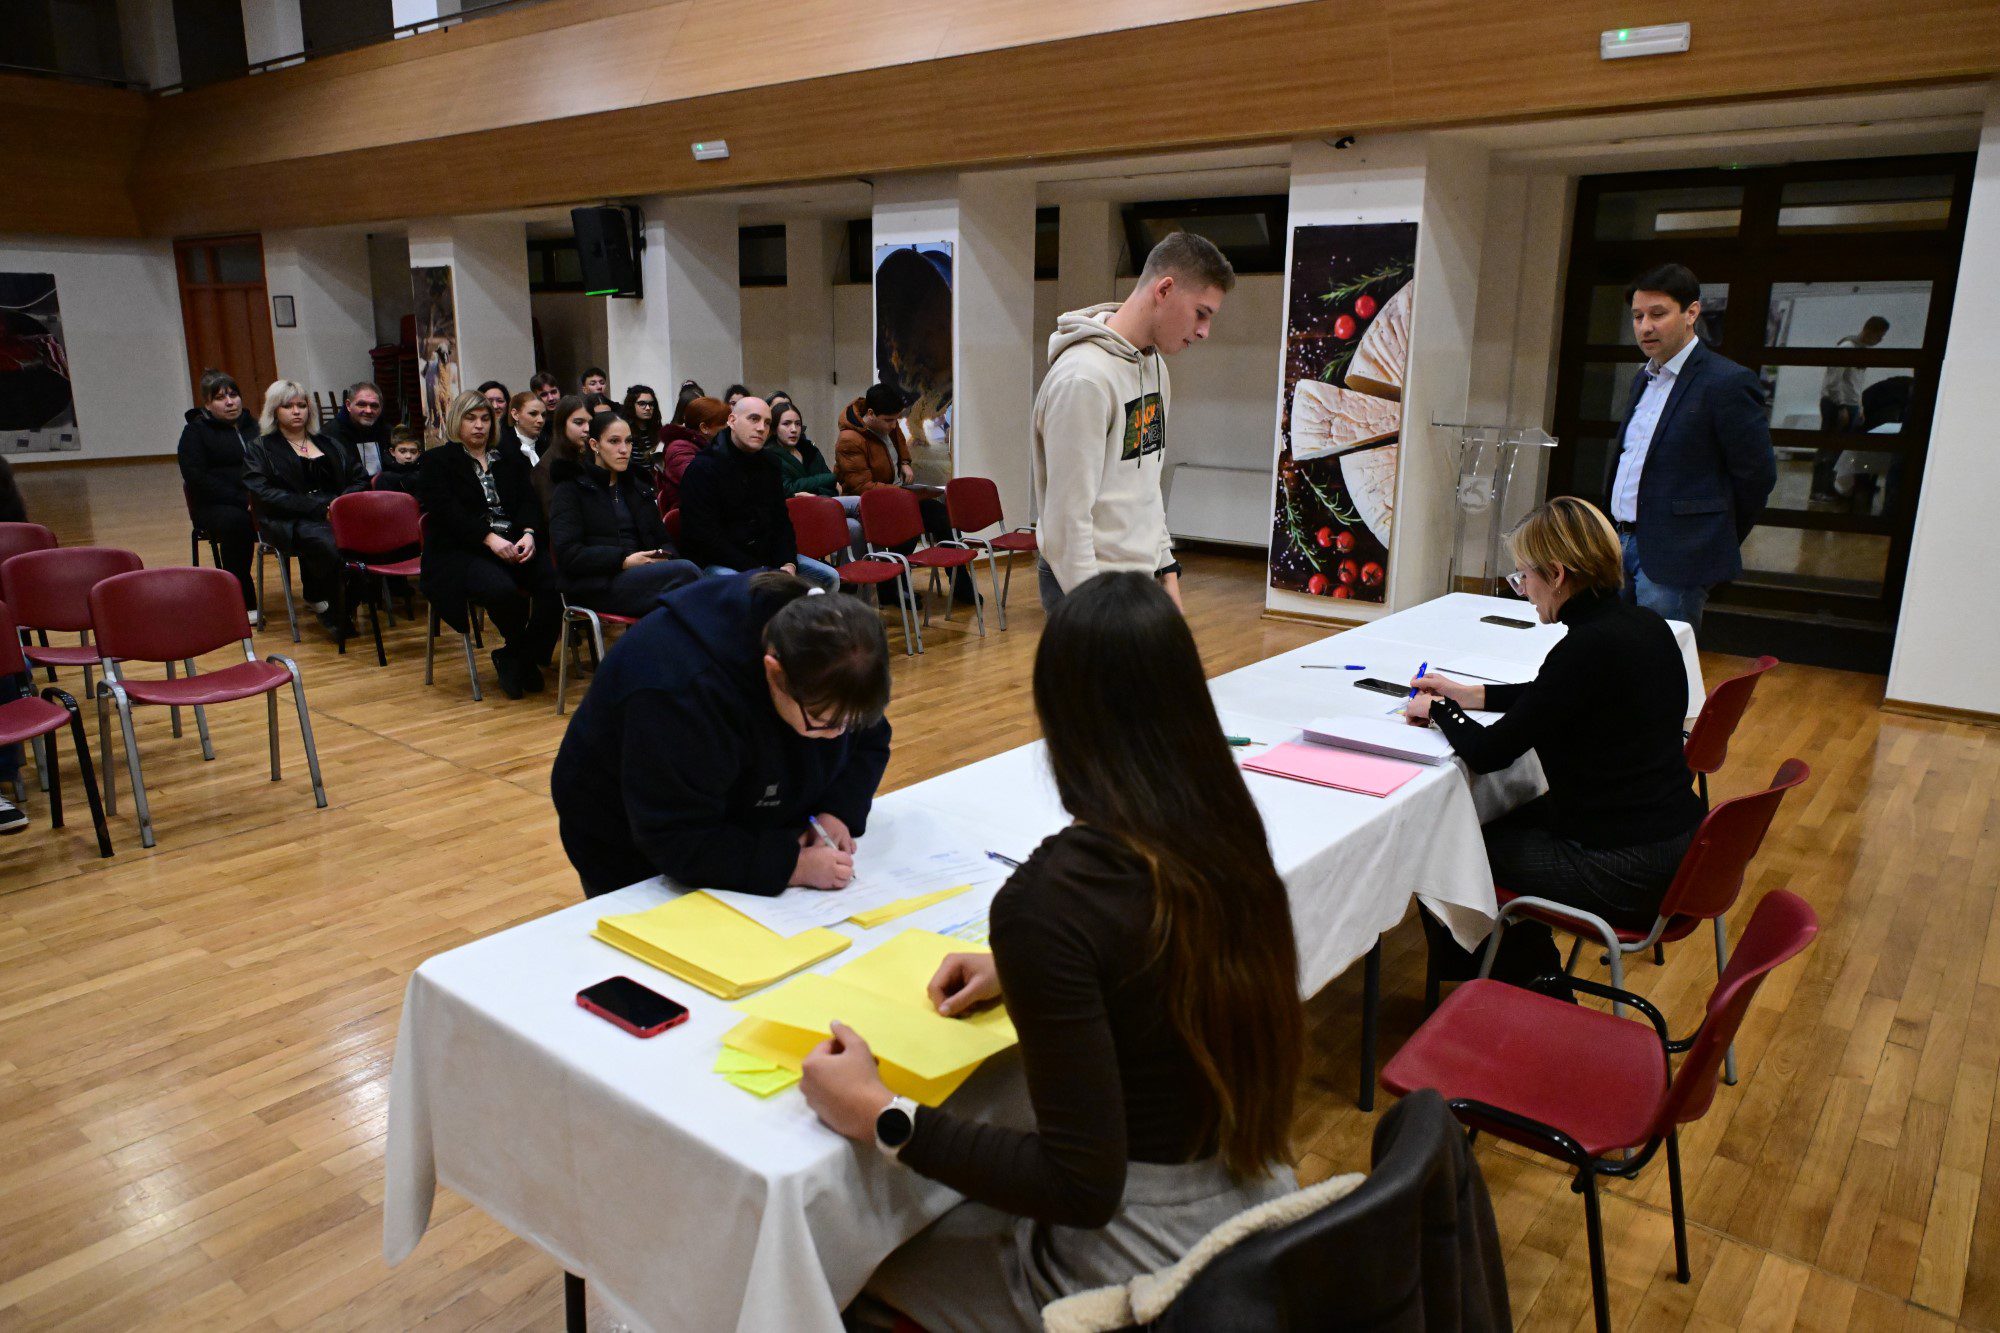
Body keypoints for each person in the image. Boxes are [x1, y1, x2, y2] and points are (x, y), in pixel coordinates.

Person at [807, 571, 1303, 1331]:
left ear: (1057, 720)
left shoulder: (1051, 900)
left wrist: (881, 1112)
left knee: (839, 1272)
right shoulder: (1225, 827)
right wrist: (1029, 972)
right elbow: (1161, 957)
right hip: (1257, 1200)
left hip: (1142, 1266)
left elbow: (1080, 1185)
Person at [1405, 497, 1704, 993]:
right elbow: (1559, 695)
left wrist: (1438, 711)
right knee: (1497, 819)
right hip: (1679, 846)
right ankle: (1519, 973)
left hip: (1625, 868)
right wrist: (1470, 694)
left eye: (1524, 576)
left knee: (1449, 843)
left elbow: (1490, 753)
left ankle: (1524, 984)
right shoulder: (1645, 625)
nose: (1523, 590)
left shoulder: (1584, 648)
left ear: (1558, 575)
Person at [550, 570, 893, 898]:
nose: (839, 734)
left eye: (851, 723)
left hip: (726, 815)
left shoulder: (834, 657)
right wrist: (791, 866)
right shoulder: (679, 690)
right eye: (823, 722)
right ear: (774, 673)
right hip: (625, 837)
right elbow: (676, 838)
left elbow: (869, 742)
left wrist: (836, 811)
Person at [1032, 231, 1234, 616]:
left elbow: (1146, 484)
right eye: (1201, 313)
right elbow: (1067, 522)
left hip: (1135, 581)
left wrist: (1167, 573)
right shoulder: (1084, 379)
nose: (1204, 331)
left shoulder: (1154, 367)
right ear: (1164, 290)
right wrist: (1095, 613)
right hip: (1088, 587)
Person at [1607, 263, 1776, 629]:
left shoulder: (1726, 382)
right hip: (1618, 543)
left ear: (1691, 313)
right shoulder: (1643, 378)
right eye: (1637, 316)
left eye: (1658, 314)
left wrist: (1708, 540)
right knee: (1617, 649)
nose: (1645, 327)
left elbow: (1757, 476)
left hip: (1678, 556)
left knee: (1663, 655)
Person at [415, 389, 562, 699]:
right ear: (457, 421)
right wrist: (488, 538)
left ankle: (516, 655)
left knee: (555, 585)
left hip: (513, 542)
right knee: (502, 590)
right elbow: (447, 512)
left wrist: (529, 533)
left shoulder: (508, 458)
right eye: (471, 418)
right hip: (462, 549)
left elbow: (528, 502)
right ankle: (520, 656)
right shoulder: (436, 461)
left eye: (485, 419)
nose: (479, 425)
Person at [244, 379, 367, 640]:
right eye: (288, 406)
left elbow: (360, 478)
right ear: (274, 410)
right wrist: (319, 508)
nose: (296, 411)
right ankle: (332, 609)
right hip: (288, 518)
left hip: (335, 514)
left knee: (365, 544)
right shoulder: (260, 448)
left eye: (301, 405)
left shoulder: (328, 443)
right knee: (332, 545)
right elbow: (264, 493)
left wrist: (339, 504)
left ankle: (343, 605)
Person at [678, 396, 839, 592]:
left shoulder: (769, 464)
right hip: (719, 561)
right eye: (754, 419)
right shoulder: (703, 467)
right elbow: (706, 537)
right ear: (732, 421)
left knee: (828, 577)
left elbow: (781, 521)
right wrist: (761, 571)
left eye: (767, 422)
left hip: (765, 557)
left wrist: (788, 562)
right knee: (750, 591)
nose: (762, 428)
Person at [550, 409, 700, 618]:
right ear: (594, 445)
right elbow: (569, 555)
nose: (624, 450)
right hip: (595, 584)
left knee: (691, 588)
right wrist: (624, 561)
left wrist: (664, 557)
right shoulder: (571, 488)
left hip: (643, 576)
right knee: (688, 577)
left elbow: (663, 539)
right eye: (614, 441)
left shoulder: (637, 486)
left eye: (628, 442)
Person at [834, 384, 976, 602]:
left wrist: (905, 462)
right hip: (870, 505)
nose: (894, 426)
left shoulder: (887, 424)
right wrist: (902, 493)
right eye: (889, 421)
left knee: (941, 515)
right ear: (870, 414)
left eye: (896, 420)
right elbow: (863, 487)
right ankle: (892, 586)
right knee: (909, 526)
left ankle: (961, 584)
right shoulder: (849, 440)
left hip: (896, 497)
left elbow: (899, 440)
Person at [176, 369, 262, 622]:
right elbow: (197, 478)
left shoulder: (256, 427)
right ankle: (242, 599)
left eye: (233, 395)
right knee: (237, 522)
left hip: (258, 499)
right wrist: (242, 499)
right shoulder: (195, 432)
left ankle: (314, 592)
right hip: (216, 505)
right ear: (207, 404)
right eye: (220, 398)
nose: (230, 402)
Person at [1812, 314, 1890, 502]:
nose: (1880, 340)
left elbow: (1854, 383)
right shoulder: (1847, 347)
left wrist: (1858, 406)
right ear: (1869, 331)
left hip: (1850, 404)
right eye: (1879, 336)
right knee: (1829, 449)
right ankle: (1818, 491)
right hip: (1837, 404)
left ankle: (1829, 489)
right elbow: (1833, 381)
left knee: (1838, 451)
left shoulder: (1861, 351)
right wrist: (1841, 407)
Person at [654, 394, 729, 515]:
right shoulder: (679, 448)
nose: (728, 427)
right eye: (723, 423)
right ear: (704, 427)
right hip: (688, 513)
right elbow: (700, 483)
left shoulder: (710, 445)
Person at [532, 393, 593, 514]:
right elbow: (554, 516)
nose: (587, 429)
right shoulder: (545, 468)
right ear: (562, 424)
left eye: (590, 423)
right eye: (579, 422)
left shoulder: (592, 454)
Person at [322, 380, 392, 478]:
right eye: (362, 404)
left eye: (374, 405)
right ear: (348, 405)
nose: (368, 410)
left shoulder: (387, 431)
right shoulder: (329, 435)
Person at [622, 383, 662, 471]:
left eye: (651, 404)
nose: (648, 408)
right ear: (631, 405)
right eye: (642, 403)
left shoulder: (657, 430)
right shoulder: (624, 431)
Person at [374, 427, 424, 494]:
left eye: (413, 452)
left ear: (419, 453)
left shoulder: (424, 475)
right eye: (402, 451)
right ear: (392, 452)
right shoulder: (384, 478)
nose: (408, 456)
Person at [506, 391, 546, 467]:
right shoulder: (501, 448)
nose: (541, 420)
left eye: (543, 415)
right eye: (533, 414)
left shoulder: (548, 446)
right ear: (515, 414)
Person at [478, 380, 515, 455]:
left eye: (500, 401)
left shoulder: (515, 433)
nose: (495, 406)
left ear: (507, 404)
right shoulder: (476, 431)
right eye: (489, 401)